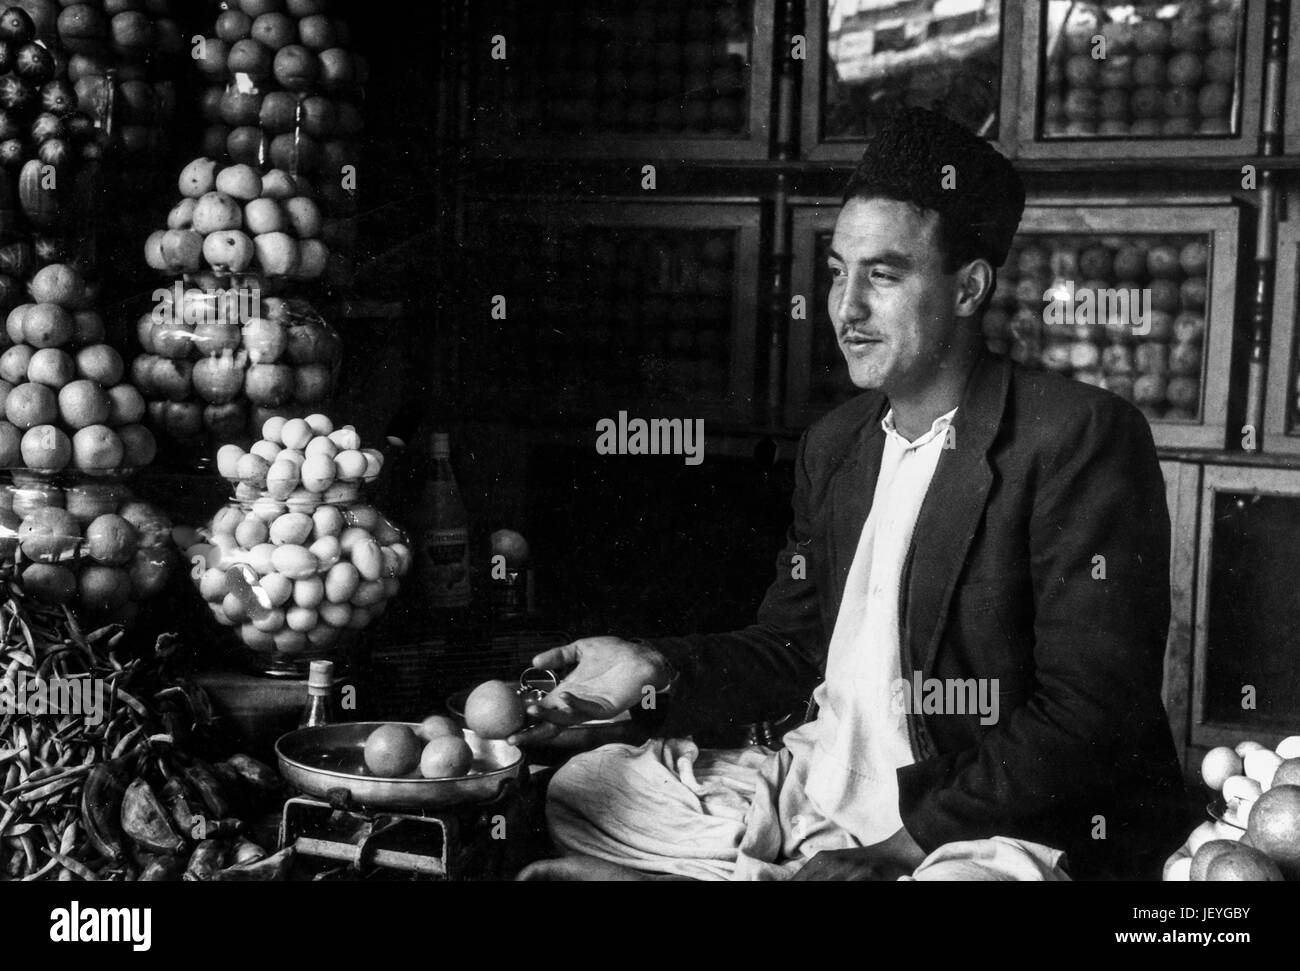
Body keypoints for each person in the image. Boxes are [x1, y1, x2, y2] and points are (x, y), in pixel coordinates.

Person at [514, 108, 1189, 882]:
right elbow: (794, 645)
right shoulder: (838, 444)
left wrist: (896, 850)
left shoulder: (1077, 436)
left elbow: (1088, 713)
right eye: (838, 271)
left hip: (982, 822)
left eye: (884, 274)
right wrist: (655, 662)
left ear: (968, 287)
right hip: (826, 788)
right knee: (586, 790)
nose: (846, 308)